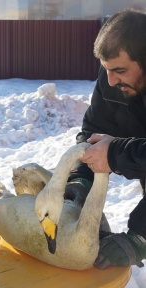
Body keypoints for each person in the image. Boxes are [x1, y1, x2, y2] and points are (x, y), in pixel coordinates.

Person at [65, 8, 146, 270]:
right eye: (106, 70)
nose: (110, 81)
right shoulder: (112, 79)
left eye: (119, 70)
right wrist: (81, 178)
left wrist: (140, 237)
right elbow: (93, 131)